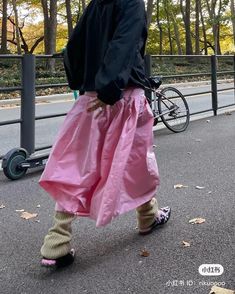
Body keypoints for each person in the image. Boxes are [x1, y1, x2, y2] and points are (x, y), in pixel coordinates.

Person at [39, 0, 171, 268]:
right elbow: (125, 43)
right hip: (123, 95)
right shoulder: (132, 3)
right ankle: (148, 216)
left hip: (90, 98)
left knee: (75, 165)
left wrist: (84, 82)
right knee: (136, 162)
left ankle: (57, 241)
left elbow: (73, 46)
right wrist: (108, 87)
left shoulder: (96, 4)